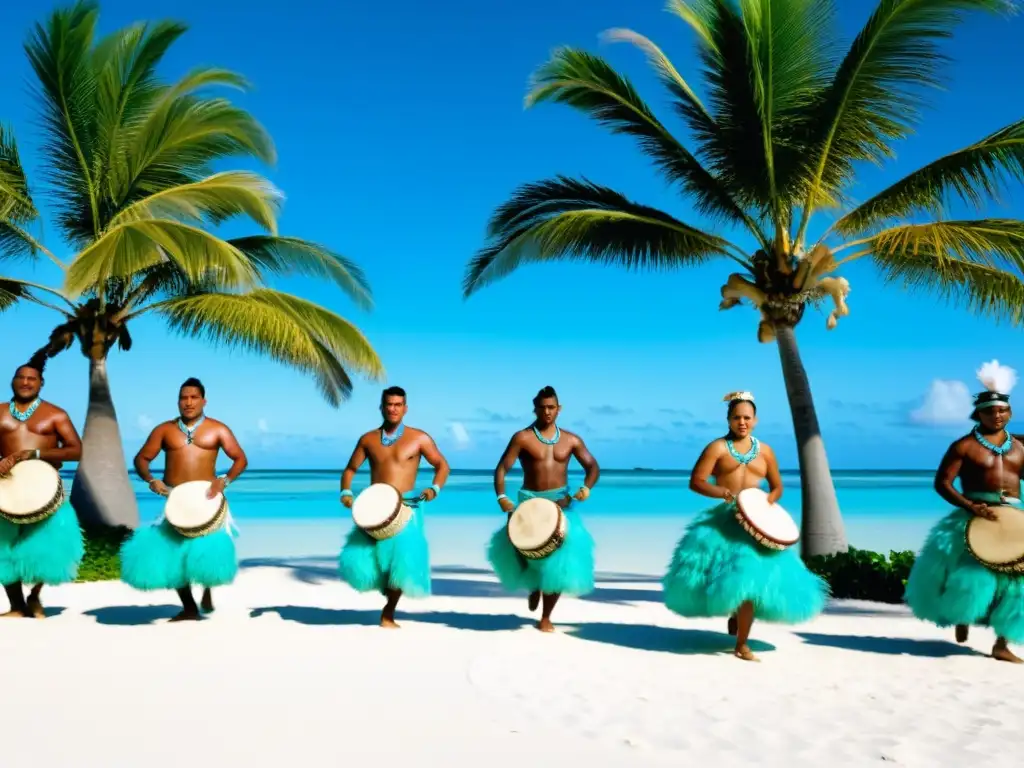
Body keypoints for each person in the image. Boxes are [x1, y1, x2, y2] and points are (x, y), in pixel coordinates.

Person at [661, 391, 829, 661]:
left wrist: (767, 504)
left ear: (756, 420)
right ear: (728, 419)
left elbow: (776, 487)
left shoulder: (766, 452)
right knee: (729, 578)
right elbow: (697, 481)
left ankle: (741, 643)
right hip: (726, 521)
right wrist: (723, 494)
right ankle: (736, 620)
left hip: (758, 523)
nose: (742, 422)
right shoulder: (716, 448)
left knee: (749, 583)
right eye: (737, 417)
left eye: (747, 417)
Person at [904, 360, 1024, 663]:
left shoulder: (1021, 447)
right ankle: (962, 617)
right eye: (989, 411)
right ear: (978, 413)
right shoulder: (964, 446)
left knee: (1017, 585)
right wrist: (971, 506)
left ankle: (1002, 643)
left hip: (1013, 518)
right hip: (972, 516)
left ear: (1009, 412)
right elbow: (942, 483)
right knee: (969, 577)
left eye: (1001, 411)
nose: (996, 416)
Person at [119, 377, 248, 621]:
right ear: (178, 401)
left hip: (209, 500)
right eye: (183, 398)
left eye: (193, 397)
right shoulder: (164, 430)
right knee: (171, 555)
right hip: (175, 500)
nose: (188, 402)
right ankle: (189, 607)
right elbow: (141, 459)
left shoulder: (218, 429)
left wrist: (225, 481)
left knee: (206, 555)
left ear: (203, 400)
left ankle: (208, 589)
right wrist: (151, 480)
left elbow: (240, 459)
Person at [488, 385, 600, 632]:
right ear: (535, 408)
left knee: (562, 562)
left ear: (559, 409)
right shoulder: (522, 438)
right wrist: (502, 497)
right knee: (523, 555)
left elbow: (592, 467)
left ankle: (546, 617)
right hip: (529, 503)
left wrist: (585, 488)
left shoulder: (572, 440)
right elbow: (501, 468)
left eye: (551, 408)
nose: (547, 412)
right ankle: (534, 586)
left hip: (562, 504)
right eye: (542, 408)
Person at [338, 386, 450, 628]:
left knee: (403, 563)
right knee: (369, 563)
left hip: (407, 507)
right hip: (374, 507)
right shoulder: (368, 439)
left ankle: (388, 614)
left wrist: (434, 489)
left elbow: (442, 466)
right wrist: (346, 491)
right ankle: (387, 593)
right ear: (381, 407)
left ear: (405, 408)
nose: (393, 408)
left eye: (398, 404)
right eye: (389, 404)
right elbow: (350, 470)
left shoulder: (420, 438)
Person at [0, 358, 84, 618]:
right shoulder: (0, 411)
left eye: (32, 379)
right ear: (13, 381)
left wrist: (33, 453)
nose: (25, 382)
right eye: (20, 377)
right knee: (4, 547)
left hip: (45, 489)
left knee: (50, 545)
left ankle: (35, 596)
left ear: (41, 384)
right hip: (7, 489)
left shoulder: (55, 414)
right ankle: (16, 606)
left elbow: (77, 450)